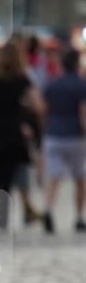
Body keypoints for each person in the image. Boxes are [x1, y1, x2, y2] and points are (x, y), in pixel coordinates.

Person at [0, 42, 44, 228]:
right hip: (12, 134)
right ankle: (0, 221)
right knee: (7, 179)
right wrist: (21, 106)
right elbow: (38, 105)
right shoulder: (22, 79)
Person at [41, 48, 86, 233]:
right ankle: (79, 217)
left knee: (53, 177)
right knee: (79, 179)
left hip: (53, 135)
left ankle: (49, 210)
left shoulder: (52, 84)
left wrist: (45, 130)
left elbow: (43, 110)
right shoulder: (81, 84)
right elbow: (83, 114)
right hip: (75, 137)